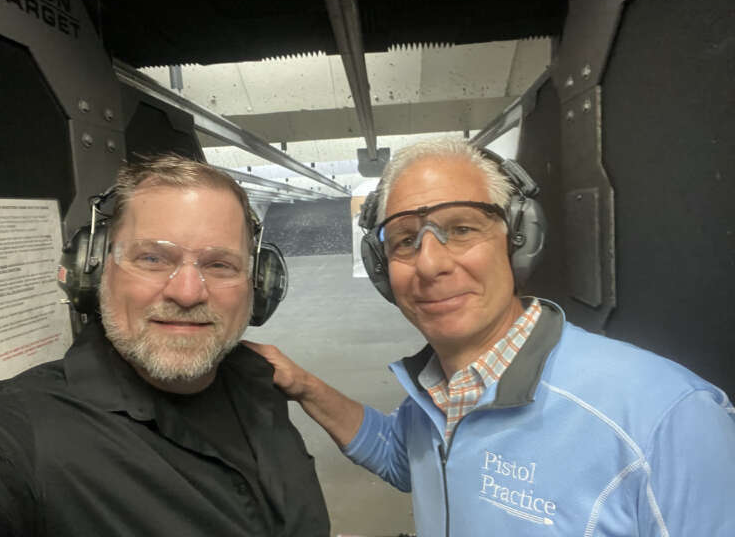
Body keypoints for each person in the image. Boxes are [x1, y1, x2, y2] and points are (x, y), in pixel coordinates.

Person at [248, 139, 735, 536]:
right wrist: (304, 385)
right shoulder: (438, 391)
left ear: (520, 238)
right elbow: (406, 458)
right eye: (403, 239)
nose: (431, 263)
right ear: (381, 269)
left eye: (461, 229)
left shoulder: (665, 418)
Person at [0, 154, 329, 536]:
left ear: (257, 284)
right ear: (94, 269)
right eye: (153, 258)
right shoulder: (17, 432)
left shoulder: (258, 384)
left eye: (220, 264)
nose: (187, 293)